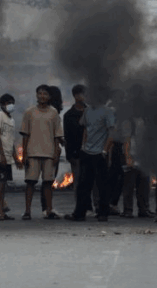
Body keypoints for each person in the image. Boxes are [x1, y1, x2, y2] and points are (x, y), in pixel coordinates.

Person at [68, 91, 115, 222]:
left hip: (100, 153)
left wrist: (105, 150)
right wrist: (83, 146)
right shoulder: (87, 111)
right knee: (83, 184)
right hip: (87, 152)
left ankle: (103, 212)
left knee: (102, 185)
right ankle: (80, 213)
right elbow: (85, 129)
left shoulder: (107, 111)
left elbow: (112, 133)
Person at [19, 84, 64, 221]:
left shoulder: (54, 113)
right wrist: (24, 154)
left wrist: (56, 153)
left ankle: (49, 210)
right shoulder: (29, 112)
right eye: (40, 93)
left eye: (45, 94)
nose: (42, 96)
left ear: (49, 96)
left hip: (49, 153)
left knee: (48, 183)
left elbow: (57, 136)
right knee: (30, 183)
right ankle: (27, 211)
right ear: (36, 95)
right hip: (32, 152)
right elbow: (25, 135)